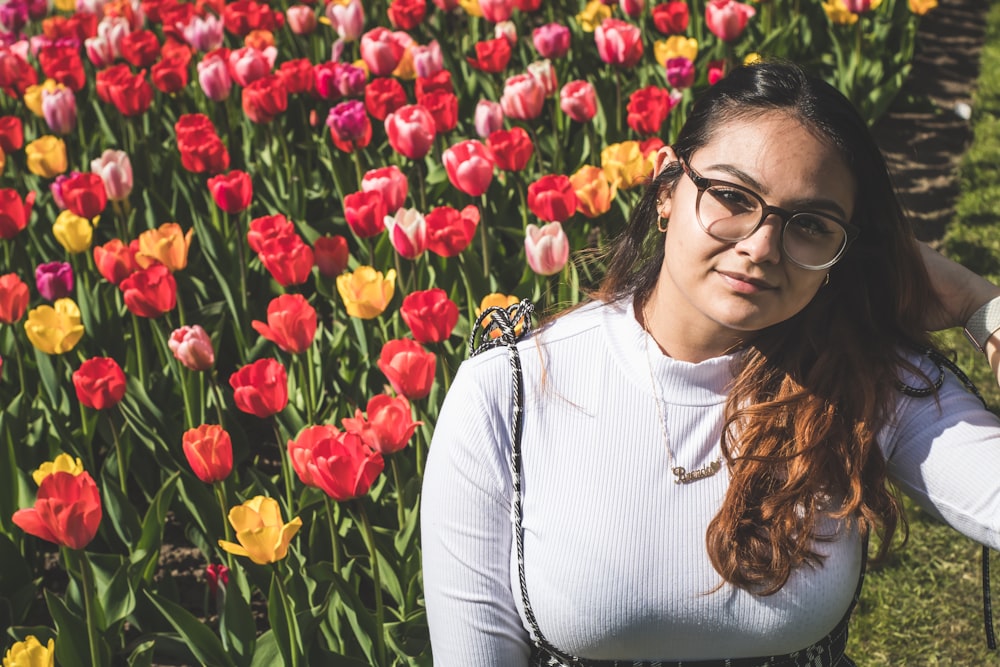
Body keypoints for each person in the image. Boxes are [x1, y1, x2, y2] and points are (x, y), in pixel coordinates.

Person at [420, 60, 1000, 666]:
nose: (760, 247)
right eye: (731, 196)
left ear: (842, 248)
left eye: (809, 224)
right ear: (668, 185)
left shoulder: (854, 382)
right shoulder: (512, 390)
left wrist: (979, 305)